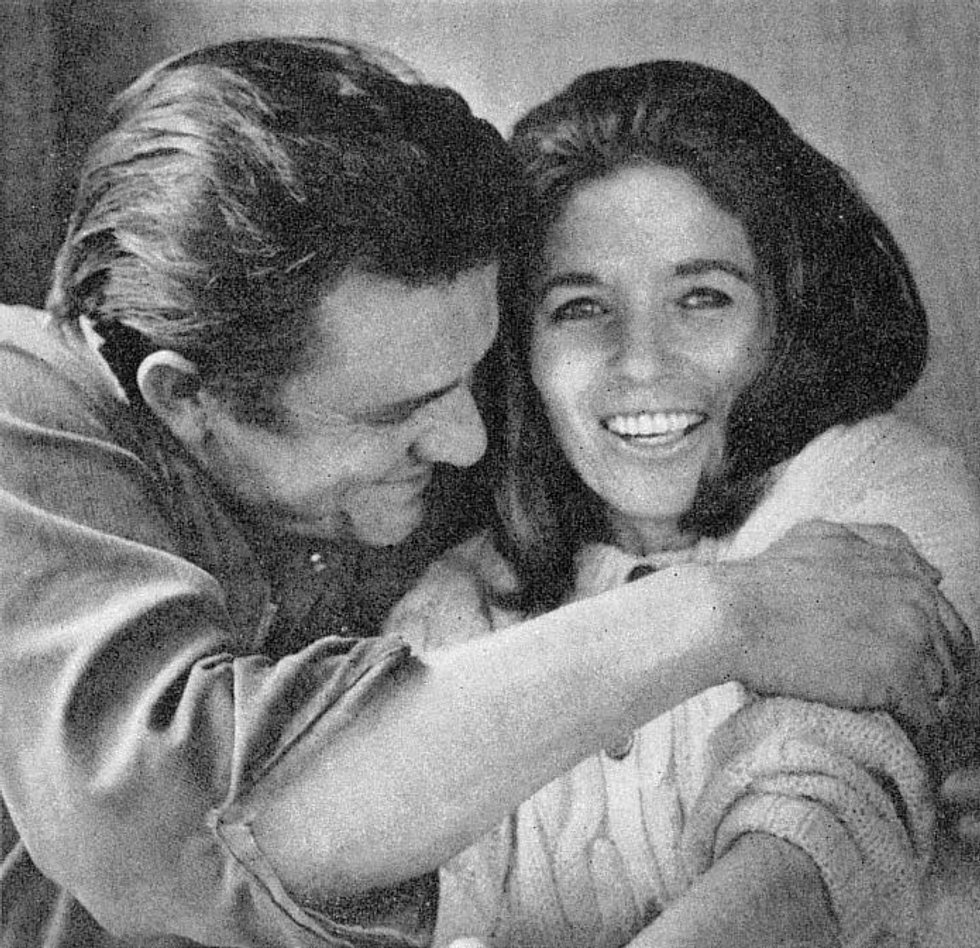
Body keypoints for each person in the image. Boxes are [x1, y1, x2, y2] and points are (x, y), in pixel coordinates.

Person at [0, 38, 969, 948]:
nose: (467, 442)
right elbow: (174, 828)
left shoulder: (461, 470)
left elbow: (835, 771)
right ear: (186, 400)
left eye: (472, 375)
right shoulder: (21, 398)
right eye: (397, 413)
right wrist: (723, 614)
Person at [382, 60, 980, 948]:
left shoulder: (880, 488)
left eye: (702, 298)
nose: (642, 361)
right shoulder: (449, 608)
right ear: (517, 345)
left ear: (785, 315)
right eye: (581, 307)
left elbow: (819, 823)